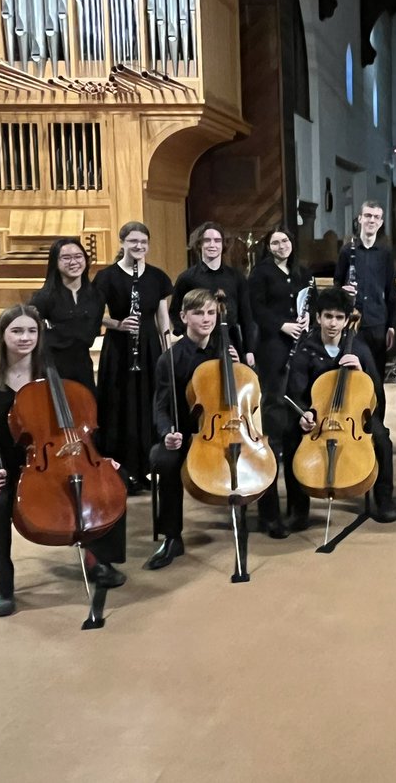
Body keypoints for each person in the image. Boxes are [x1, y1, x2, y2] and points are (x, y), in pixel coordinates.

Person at [0, 305, 125, 617]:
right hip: (6, 464)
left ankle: (97, 561)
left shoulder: (53, 376)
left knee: (104, 486)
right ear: (2, 336)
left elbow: (79, 424)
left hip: (59, 457)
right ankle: (2, 583)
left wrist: (96, 456)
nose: (25, 337)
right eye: (16, 331)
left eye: (31, 331)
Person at [283, 286, 396, 525]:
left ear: (346, 321)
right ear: (318, 317)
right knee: (290, 439)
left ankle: (384, 499)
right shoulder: (306, 349)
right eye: (328, 316)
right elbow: (296, 392)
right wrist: (304, 415)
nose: (332, 323)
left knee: (383, 440)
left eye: (338, 317)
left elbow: (376, 390)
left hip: (354, 416)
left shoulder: (358, 348)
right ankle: (298, 509)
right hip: (318, 416)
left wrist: (361, 371)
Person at [146, 288, 243, 569]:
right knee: (165, 460)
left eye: (211, 313)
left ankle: (251, 520)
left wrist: (239, 370)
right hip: (188, 433)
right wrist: (168, 434)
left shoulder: (226, 350)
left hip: (225, 428)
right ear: (183, 316)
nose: (206, 319)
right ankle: (172, 537)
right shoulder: (170, 359)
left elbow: (248, 392)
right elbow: (161, 407)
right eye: (199, 313)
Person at [94, 221, 173, 493]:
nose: (138, 246)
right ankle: (121, 470)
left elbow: (163, 317)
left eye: (143, 242)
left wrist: (167, 346)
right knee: (119, 405)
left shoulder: (157, 277)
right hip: (118, 348)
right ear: (122, 243)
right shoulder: (106, 277)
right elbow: (94, 313)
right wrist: (117, 324)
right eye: (133, 242)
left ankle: (146, 470)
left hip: (149, 346)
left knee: (147, 404)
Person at [247, 225, 312, 538]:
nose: (281, 245)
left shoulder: (300, 271)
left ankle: (299, 509)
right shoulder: (260, 273)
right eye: (275, 241)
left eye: (285, 240)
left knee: (297, 431)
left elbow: (307, 301)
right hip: (273, 349)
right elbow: (255, 308)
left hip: (299, 347)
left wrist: (306, 318)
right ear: (269, 246)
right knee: (274, 435)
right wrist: (282, 325)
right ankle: (268, 515)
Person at [171, 222, 258, 366]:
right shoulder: (187, 278)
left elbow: (246, 316)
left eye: (217, 241)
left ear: (223, 245)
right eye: (207, 240)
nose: (212, 245)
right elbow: (175, 312)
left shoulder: (236, 277)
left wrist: (249, 350)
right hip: (198, 344)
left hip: (229, 341)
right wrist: (186, 337)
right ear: (199, 244)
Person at [29, 237, 105, 393]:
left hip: (82, 365)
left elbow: (93, 328)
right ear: (55, 262)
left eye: (78, 256)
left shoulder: (96, 296)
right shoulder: (44, 297)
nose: (73, 262)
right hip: (51, 366)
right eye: (66, 258)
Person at [336, 201, 396, 379]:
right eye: (368, 216)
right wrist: (343, 290)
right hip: (352, 322)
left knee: (376, 374)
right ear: (360, 219)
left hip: (377, 322)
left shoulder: (385, 253)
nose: (372, 220)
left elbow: (391, 291)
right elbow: (337, 282)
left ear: (380, 222)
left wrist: (391, 326)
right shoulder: (348, 251)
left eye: (376, 217)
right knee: (353, 374)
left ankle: (378, 407)